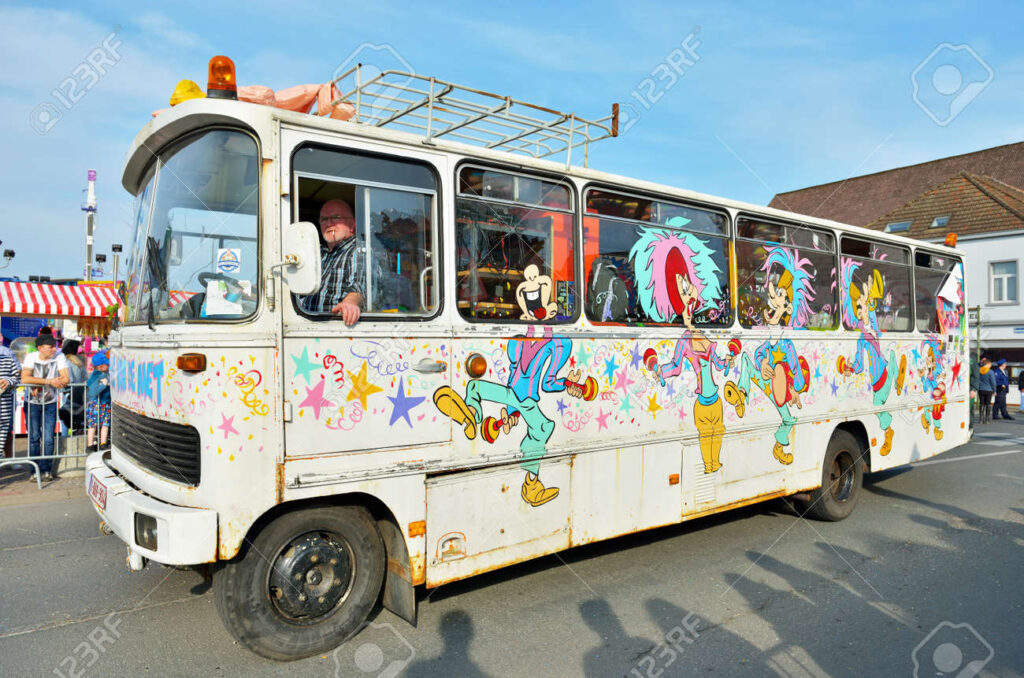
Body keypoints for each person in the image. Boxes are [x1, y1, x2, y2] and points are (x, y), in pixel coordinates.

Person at [298, 199, 365, 326]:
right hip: (306, 323)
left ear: (352, 225)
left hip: (336, 326)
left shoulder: (358, 250)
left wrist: (350, 302)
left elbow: (360, 285)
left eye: (336, 217)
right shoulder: (317, 253)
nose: (328, 223)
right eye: (323, 219)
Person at [20, 334, 69, 480]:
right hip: (32, 403)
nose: (54, 349)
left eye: (55, 346)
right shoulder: (31, 357)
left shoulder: (59, 356)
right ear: (40, 348)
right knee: (34, 438)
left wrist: (38, 382)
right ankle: (34, 470)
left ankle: (46, 470)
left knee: (48, 438)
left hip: (50, 403)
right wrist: (48, 382)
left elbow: (66, 379)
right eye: (51, 346)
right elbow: (25, 378)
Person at [58, 339, 87, 433]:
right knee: (76, 417)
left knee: (65, 417)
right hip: (78, 393)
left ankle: (65, 437)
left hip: (67, 393)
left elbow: (67, 379)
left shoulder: (64, 362)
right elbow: (85, 378)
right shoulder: (79, 362)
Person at [85, 351, 112, 451]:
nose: (109, 365)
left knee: (105, 424)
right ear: (100, 366)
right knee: (93, 425)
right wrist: (103, 385)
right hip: (95, 404)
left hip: (106, 404)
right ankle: (90, 445)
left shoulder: (107, 374)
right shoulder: (95, 376)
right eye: (107, 364)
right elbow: (93, 391)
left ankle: (103, 443)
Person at [0, 343, 21, 460]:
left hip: (4, 410)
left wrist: (8, 381)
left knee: (3, 436)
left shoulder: (8, 359)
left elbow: (18, 378)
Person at [977, 356, 995, 424]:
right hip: (989, 390)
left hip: (981, 389)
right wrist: (994, 390)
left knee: (981, 403)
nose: (990, 365)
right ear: (987, 364)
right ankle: (987, 419)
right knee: (988, 404)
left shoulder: (979, 370)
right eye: (990, 364)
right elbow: (993, 382)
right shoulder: (990, 372)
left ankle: (981, 419)